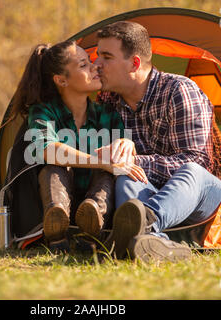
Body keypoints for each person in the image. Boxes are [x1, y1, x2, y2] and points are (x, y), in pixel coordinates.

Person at [93, 21, 221, 262]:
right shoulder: (108, 101)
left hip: (198, 195)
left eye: (106, 57)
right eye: (96, 56)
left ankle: (142, 225)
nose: (96, 64)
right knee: (125, 177)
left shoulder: (179, 90)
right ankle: (157, 244)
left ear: (134, 63)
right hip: (150, 191)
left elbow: (198, 161)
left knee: (191, 170)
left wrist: (135, 161)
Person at [10, 39, 148, 250]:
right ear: (61, 80)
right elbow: (46, 149)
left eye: (90, 61)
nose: (95, 67)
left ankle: (91, 229)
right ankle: (57, 230)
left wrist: (126, 144)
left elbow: (122, 160)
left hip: (97, 201)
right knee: (53, 168)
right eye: (83, 65)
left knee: (107, 174)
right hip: (54, 199)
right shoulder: (44, 112)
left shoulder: (107, 114)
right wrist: (99, 161)